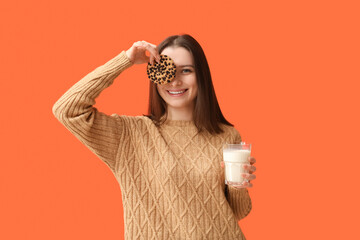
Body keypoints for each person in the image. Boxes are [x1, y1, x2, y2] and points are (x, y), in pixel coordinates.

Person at [52, 34, 256, 240]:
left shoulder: (226, 135)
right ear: (155, 75)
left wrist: (238, 186)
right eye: (165, 70)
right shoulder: (129, 135)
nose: (175, 80)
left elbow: (237, 212)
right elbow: (67, 110)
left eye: (186, 70)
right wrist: (126, 60)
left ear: (201, 75)